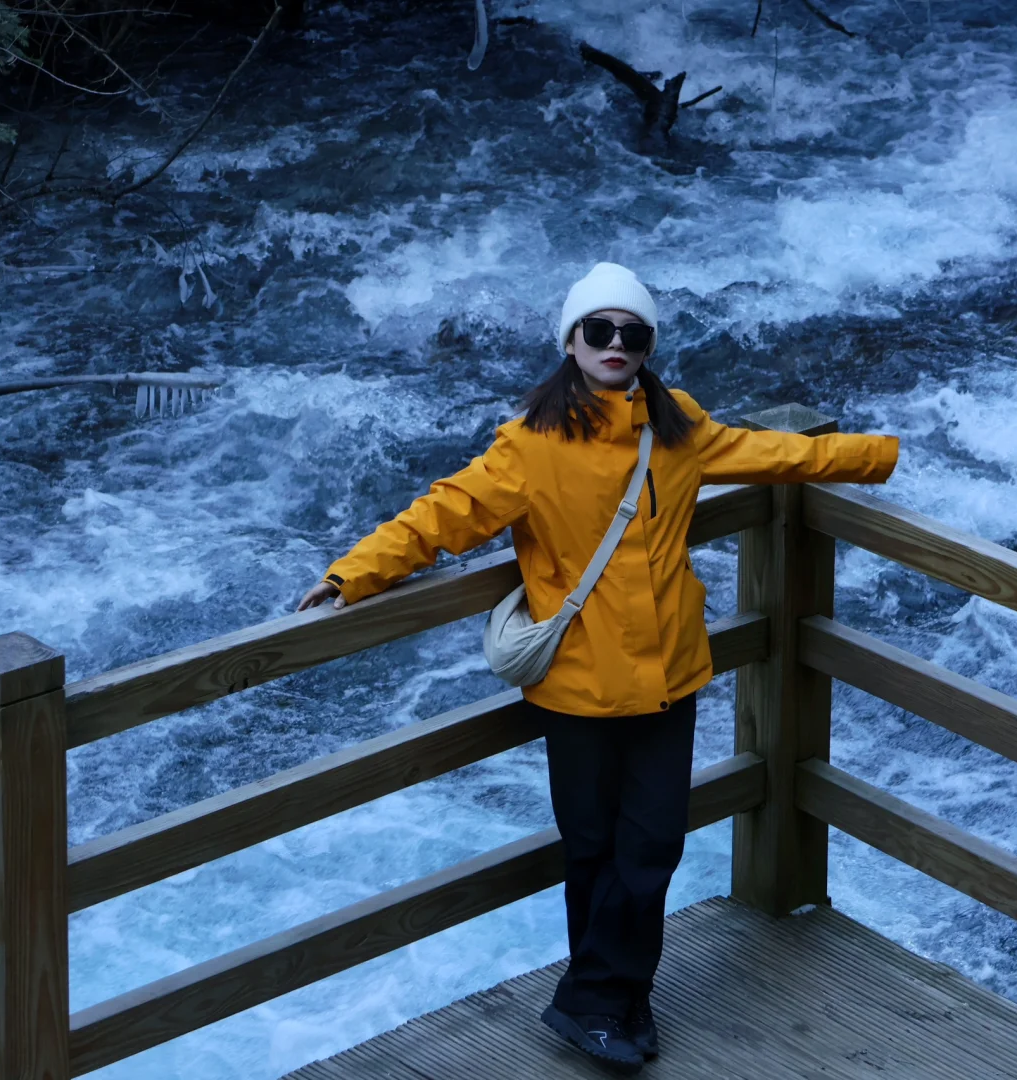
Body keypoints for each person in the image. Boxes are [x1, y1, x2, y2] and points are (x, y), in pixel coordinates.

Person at [298, 262, 899, 1074]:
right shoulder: (531, 444)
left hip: (666, 676)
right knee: (593, 850)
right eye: (599, 331)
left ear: (648, 346)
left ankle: (603, 998)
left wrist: (878, 454)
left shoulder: (676, 425)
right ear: (571, 342)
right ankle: (609, 1000)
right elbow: (443, 514)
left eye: (633, 333)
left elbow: (773, 451)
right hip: (578, 687)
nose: (616, 345)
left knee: (647, 848)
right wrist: (349, 575)